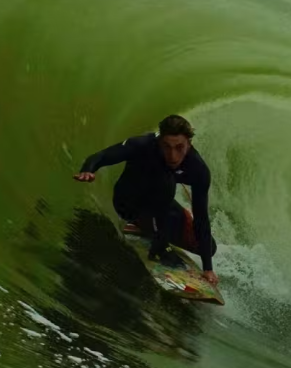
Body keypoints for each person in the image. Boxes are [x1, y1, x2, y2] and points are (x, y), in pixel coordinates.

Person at [74, 114, 218, 283]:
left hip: (159, 207)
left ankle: (148, 229)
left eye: (179, 147)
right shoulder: (143, 145)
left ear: (189, 144)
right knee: (167, 181)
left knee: (208, 247)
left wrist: (208, 268)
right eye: (166, 147)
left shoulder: (198, 168)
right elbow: (102, 156)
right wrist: (88, 169)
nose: (172, 155)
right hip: (128, 203)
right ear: (159, 142)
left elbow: (201, 218)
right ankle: (159, 247)